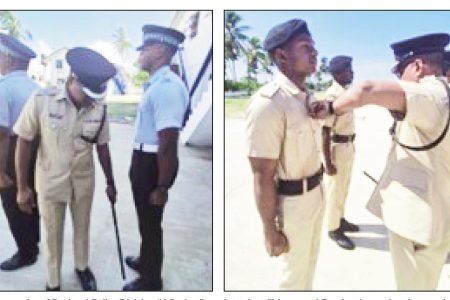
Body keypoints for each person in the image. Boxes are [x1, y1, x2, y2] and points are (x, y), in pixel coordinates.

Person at [309, 33, 450, 290]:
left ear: (417, 66)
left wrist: (330, 108)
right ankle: (334, 225)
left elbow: (368, 90)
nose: (399, 80)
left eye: (400, 72)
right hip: (436, 214)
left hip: (418, 225)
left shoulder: (432, 95)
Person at [14, 47, 118, 291]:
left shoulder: (99, 107)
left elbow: (103, 148)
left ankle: (82, 268)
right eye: (88, 92)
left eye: (97, 94)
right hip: (50, 182)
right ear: (72, 79)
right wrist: (22, 187)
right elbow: (24, 141)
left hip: (84, 181)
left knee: (83, 227)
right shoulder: (41, 100)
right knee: (52, 234)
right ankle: (53, 282)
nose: (93, 99)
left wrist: (111, 182)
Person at [246, 19, 324, 290]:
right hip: (292, 206)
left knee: (309, 269)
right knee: (292, 280)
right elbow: (262, 175)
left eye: (314, 47)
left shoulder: (308, 97)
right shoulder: (268, 104)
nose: (314, 53)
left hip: (317, 194)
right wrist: (269, 229)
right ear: (281, 56)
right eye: (305, 47)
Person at [123, 24, 188, 291]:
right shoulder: (157, 84)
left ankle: (152, 280)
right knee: (145, 219)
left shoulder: (167, 87)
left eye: (145, 48)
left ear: (160, 51)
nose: (140, 53)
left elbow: (168, 143)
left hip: (153, 165)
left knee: (151, 224)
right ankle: (145, 260)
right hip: (143, 160)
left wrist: (162, 187)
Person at [0, 33, 40, 271]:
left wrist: (0, 171)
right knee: (31, 197)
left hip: (14, 151)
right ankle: (33, 241)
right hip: (38, 151)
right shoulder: (37, 88)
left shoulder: (3, 89)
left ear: (9, 59)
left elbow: (2, 134)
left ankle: (26, 252)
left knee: (13, 203)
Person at [322, 55, 359, 250]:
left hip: (348, 146)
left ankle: (340, 219)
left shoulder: (345, 93)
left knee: (344, 188)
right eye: (348, 69)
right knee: (335, 190)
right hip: (338, 148)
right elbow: (325, 131)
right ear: (337, 73)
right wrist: (327, 162)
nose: (351, 73)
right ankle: (333, 229)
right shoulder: (332, 96)